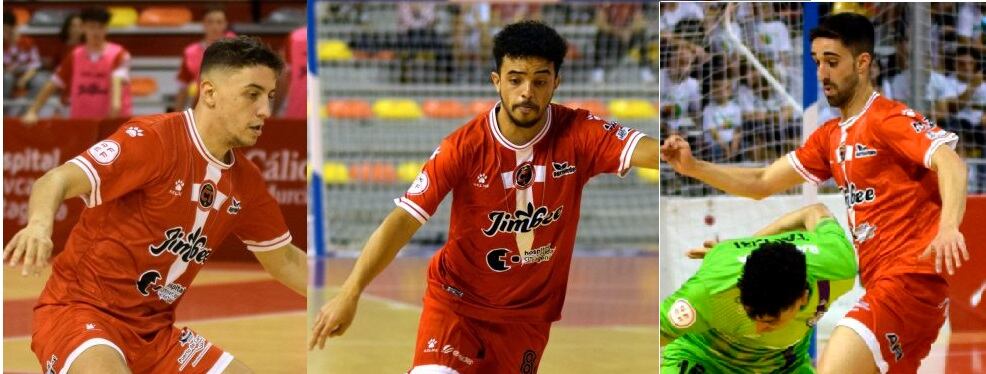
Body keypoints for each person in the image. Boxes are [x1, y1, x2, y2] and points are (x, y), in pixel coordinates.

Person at [309, 20, 660, 373]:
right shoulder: (463, 147)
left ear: (556, 83)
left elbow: (649, 150)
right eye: (515, 79)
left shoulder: (578, 133)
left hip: (527, 319)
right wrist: (350, 291)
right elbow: (403, 219)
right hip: (456, 307)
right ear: (497, 81)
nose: (527, 92)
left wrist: (678, 155)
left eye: (539, 81)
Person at [662, 13, 969, 373]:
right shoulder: (830, 137)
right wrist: (694, 167)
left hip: (908, 282)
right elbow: (762, 181)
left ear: (863, 62)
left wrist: (949, 227)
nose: (822, 73)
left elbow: (950, 162)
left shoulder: (887, 119)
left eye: (833, 62)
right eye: (817, 62)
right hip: (887, 289)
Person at [3, 36, 306, 373]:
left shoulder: (246, 182)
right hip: (81, 312)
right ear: (209, 93)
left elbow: (286, 259)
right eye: (253, 95)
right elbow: (55, 179)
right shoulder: (153, 139)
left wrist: (341, 297)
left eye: (271, 97)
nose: (265, 110)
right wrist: (39, 227)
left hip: (155, 335)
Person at [661, 203, 857, 373]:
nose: (758, 328)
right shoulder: (710, 289)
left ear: (803, 297)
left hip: (783, 366)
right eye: (750, 314)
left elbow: (814, 211)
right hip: (704, 357)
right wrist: (738, 249)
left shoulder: (837, 266)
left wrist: (734, 249)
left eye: (770, 321)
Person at [22, 7, 132, 123]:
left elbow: (117, 80)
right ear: (83, 28)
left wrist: (115, 105)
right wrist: (33, 111)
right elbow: (53, 83)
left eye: (100, 27)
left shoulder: (119, 54)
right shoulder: (75, 55)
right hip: (82, 122)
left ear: (106, 29)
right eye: (92, 27)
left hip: (113, 121)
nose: (96, 32)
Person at [173, 7, 234, 111]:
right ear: (204, 24)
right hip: (202, 106)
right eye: (210, 22)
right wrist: (176, 115)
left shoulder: (236, 47)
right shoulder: (190, 52)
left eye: (219, 22)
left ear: (225, 24)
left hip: (231, 105)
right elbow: (183, 86)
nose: (215, 26)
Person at [4, 9, 43, 115]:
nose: (4, 34)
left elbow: (35, 64)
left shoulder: (27, 42)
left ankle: (25, 113)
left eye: (6, 30)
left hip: (25, 73)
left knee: (40, 80)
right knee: (7, 78)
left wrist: (24, 78)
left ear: (14, 28)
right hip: (6, 75)